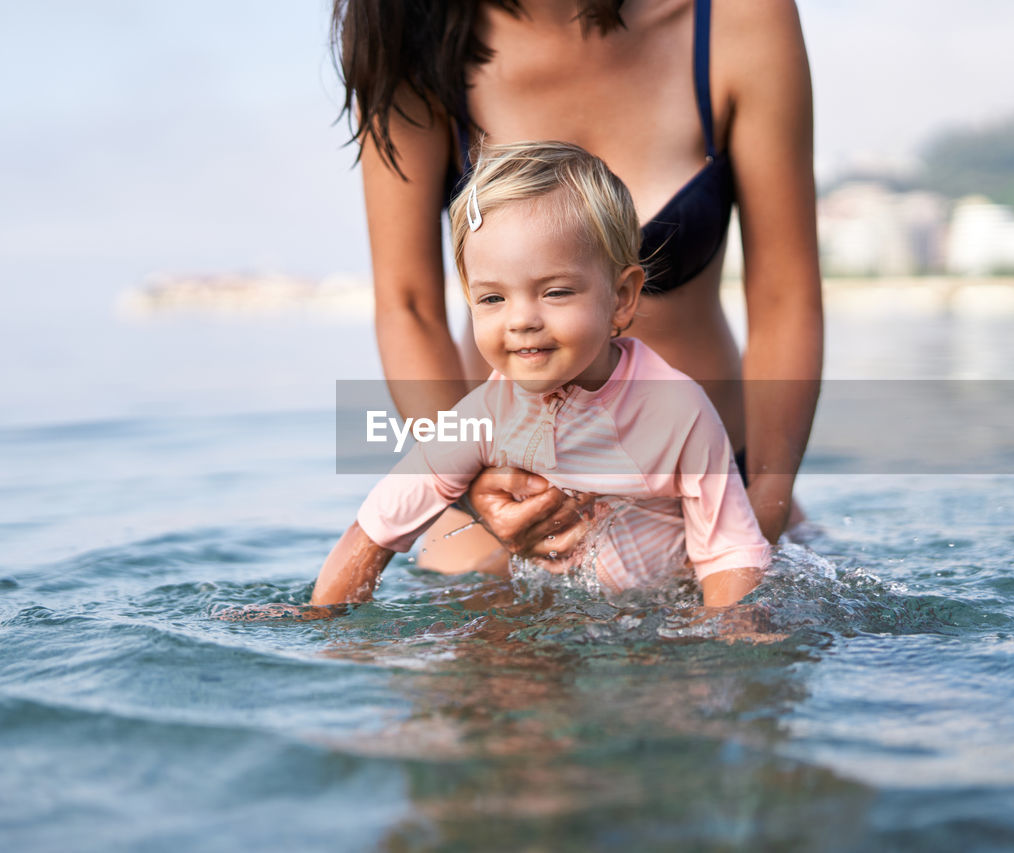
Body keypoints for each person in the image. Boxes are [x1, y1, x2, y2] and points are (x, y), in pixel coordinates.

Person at [335, 0, 822, 573]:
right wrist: (480, 496)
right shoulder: (414, 36)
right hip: (502, 502)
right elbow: (409, 307)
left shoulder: (740, 17)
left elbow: (784, 300)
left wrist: (762, 507)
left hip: (716, 487)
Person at [311, 142, 770, 607]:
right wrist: (323, 625)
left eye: (554, 292)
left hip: (662, 614)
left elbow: (730, 553)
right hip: (558, 615)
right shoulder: (481, 421)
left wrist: (729, 647)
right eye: (492, 299)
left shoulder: (677, 411)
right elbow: (374, 529)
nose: (521, 320)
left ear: (622, 298)